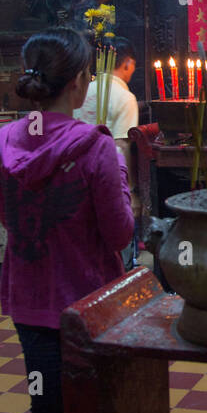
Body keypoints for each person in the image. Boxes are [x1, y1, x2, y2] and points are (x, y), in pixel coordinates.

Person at [0, 28, 134, 413]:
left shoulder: (6, 142)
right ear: (79, 83)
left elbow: (10, 221)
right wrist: (122, 177)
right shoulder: (95, 147)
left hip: (31, 305)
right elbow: (120, 234)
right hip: (90, 306)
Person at [74, 36, 140, 268]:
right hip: (108, 178)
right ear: (127, 64)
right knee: (115, 246)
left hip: (76, 177)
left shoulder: (82, 90)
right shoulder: (124, 97)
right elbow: (121, 145)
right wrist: (130, 191)